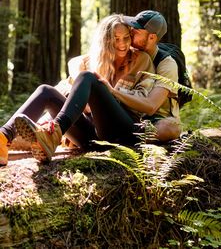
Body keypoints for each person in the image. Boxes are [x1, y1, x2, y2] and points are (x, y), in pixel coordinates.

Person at [0, 14, 156, 165]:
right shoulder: (92, 61)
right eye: (115, 39)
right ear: (105, 40)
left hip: (123, 133)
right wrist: (80, 103)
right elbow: (68, 80)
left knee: (87, 77)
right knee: (45, 91)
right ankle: (3, 138)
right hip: (92, 137)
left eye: (126, 38)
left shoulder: (141, 60)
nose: (122, 44)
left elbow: (143, 102)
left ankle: (54, 133)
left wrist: (111, 94)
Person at [123, 10, 181, 142]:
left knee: (171, 127)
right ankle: (130, 137)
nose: (130, 33)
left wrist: (115, 93)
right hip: (128, 113)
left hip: (155, 118)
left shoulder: (167, 64)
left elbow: (152, 106)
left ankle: (134, 138)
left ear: (152, 37)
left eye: (136, 32)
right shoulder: (127, 53)